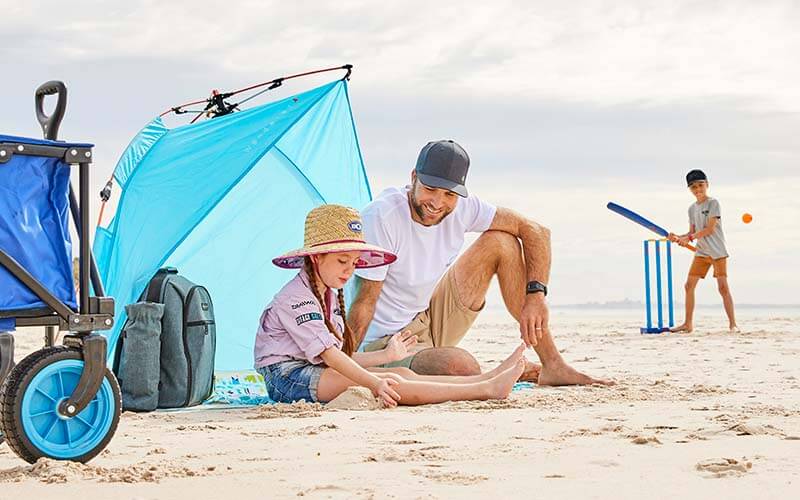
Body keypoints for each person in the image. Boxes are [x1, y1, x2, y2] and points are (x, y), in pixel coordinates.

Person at [348, 140, 612, 386]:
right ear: (413, 178)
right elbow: (364, 301)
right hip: (385, 343)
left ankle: (553, 365)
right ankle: (495, 374)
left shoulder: (462, 207)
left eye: (449, 194)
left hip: (426, 318)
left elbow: (536, 230)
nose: (437, 203)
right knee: (460, 366)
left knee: (501, 242)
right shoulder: (382, 217)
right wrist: (344, 363)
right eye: (430, 189)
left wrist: (536, 295)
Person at [254, 204, 526, 407]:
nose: (349, 270)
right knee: (392, 383)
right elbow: (331, 356)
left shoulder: (327, 295)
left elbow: (341, 356)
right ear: (316, 258)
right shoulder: (297, 299)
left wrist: (386, 356)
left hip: (314, 369)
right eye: (342, 261)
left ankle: (486, 379)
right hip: (289, 379)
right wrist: (374, 382)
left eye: (354, 263)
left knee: (401, 371)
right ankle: (484, 390)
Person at [669, 169, 739, 333]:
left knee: (723, 288)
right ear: (690, 189)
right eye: (693, 187)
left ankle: (733, 324)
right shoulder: (691, 209)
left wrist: (689, 238)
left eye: (701, 185)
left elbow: (709, 229)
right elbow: (692, 232)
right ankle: (688, 324)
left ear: (707, 184)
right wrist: (678, 237)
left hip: (717, 251)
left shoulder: (713, 203)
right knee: (689, 286)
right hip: (701, 252)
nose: (698, 189)